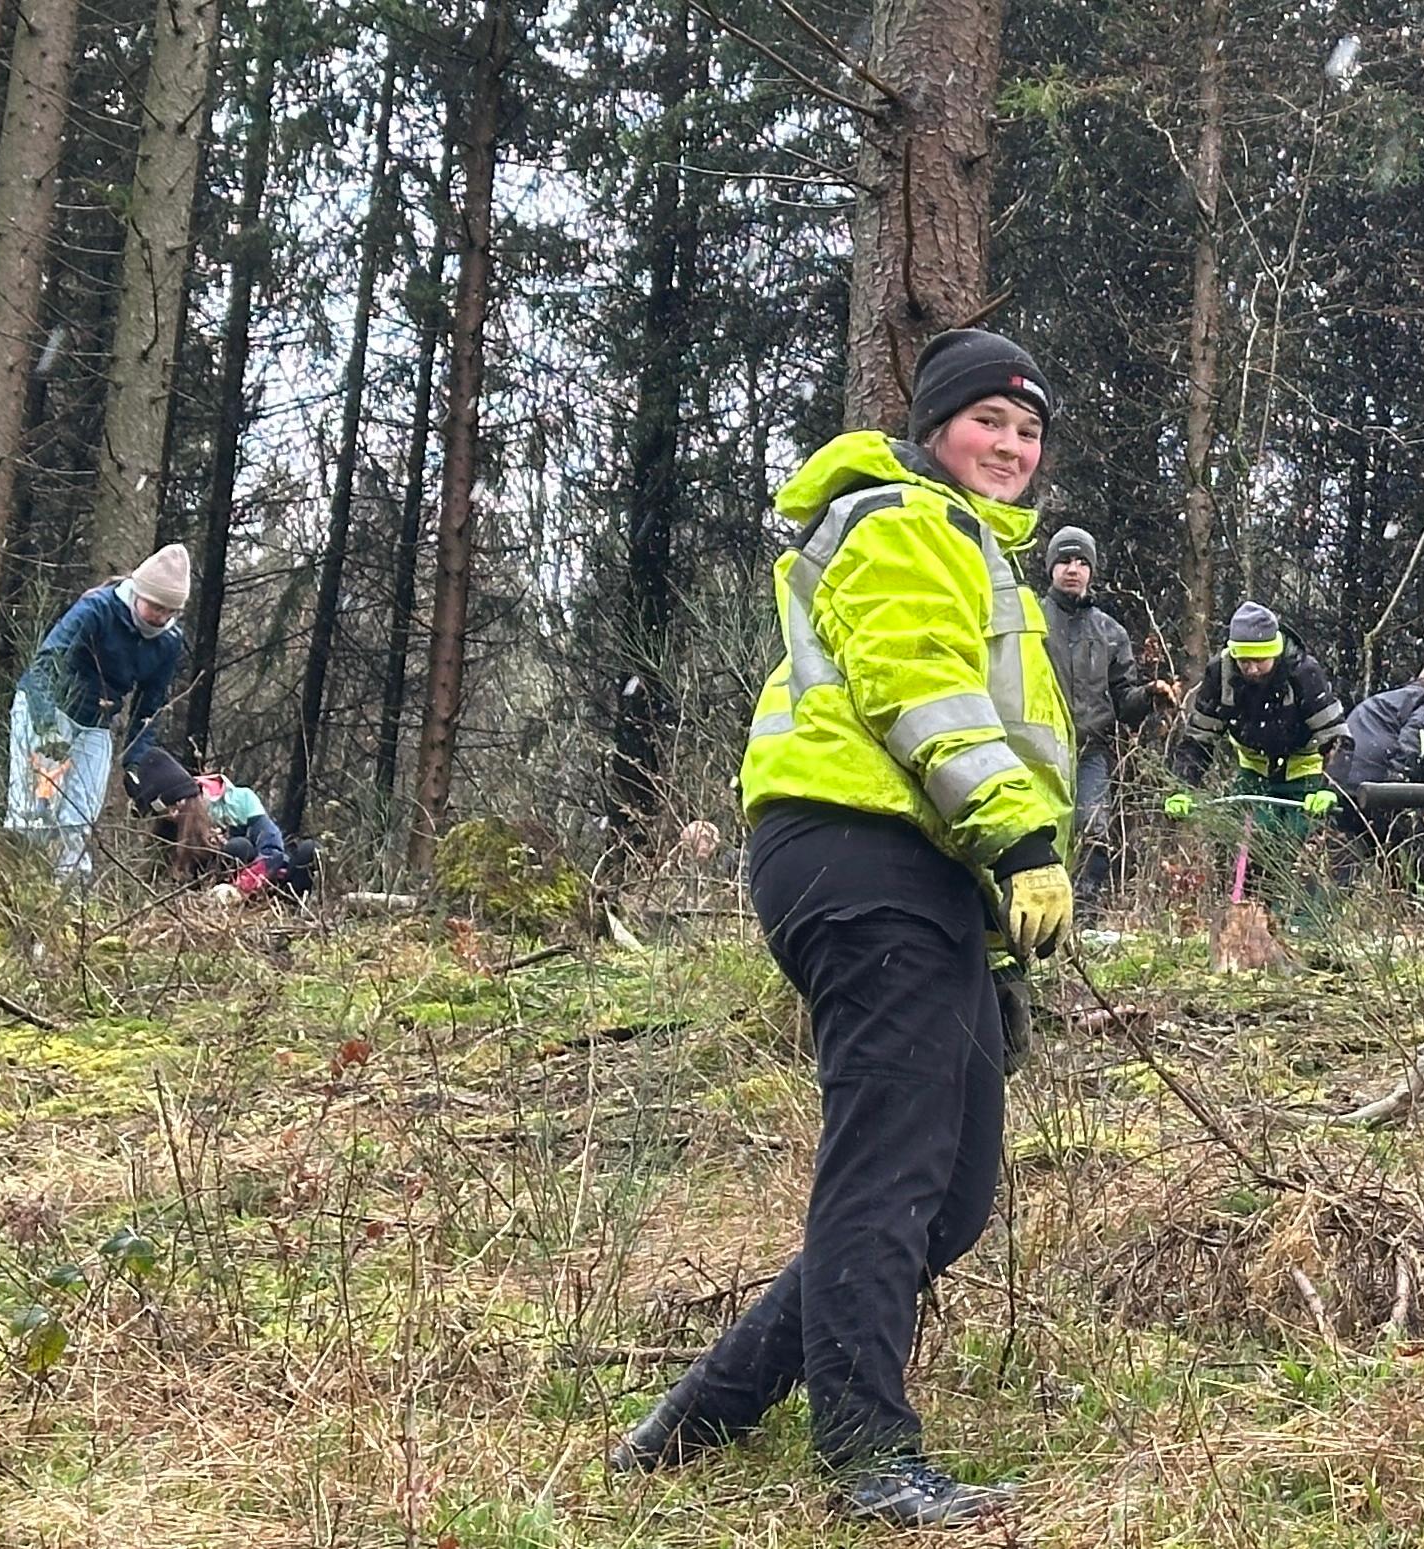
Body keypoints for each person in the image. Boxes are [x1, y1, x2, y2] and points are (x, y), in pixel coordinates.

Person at [608, 329, 1074, 1528]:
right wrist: (1020, 836)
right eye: (989, 422)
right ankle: (867, 1450)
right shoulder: (905, 520)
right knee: (889, 1165)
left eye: (1028, 431)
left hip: (923, 871)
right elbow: (919, 689)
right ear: (935, 427)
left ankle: (703, 1413)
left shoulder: (969, 543)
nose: (1010, 446)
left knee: (952, 1191)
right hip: (859, 853)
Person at [5, 544, 191, 884]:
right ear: (138, 592)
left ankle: (69, 909)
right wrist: (46, 729)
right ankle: (14, 892)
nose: (160, 618)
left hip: (97, 724)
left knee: (78, 822)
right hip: (47, 707)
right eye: (156, 607)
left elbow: (150, 707)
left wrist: (136, 762)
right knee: (33, 815)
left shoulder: (169, 642)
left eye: (170, 611)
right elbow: (46, 665)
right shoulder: (97, 609)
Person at [1040, 524, 1172, 906]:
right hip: (1035, 747)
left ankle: (1085, 912)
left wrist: (1150, 695)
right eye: (1064, 560)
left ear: (1092, 571)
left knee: (1093, 829)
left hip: (1090, 751)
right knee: (1039, 830)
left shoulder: (1110, 632)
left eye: (1082, 562)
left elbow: (1122, 700)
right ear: (1051, 567)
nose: (1073, 569)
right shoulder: (1029, 619)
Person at [1167, 601, 1347, 844]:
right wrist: (1181, 788)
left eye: (1260, 660)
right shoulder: (1221, 674)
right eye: (1244, 661)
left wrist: (1330, 788)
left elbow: (1337, 736)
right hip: (1253, 776)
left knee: (1297, 854)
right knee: (1239, 846)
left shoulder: (1303, 672)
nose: (1252, 669)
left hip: (1305, 777)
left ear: (1274, 653)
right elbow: (1198, 740)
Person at [1329, 656, 1424, 871]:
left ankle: (1328, 902)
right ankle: (1417, 901)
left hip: (1343, 786)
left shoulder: (1385, 701)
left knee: (1344, 866)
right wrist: (1401, 786)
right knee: (1413, 868)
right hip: (1382, 789)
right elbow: (1416, 741)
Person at [123, 748, 318, 896]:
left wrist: (238, 888)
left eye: (176, 806)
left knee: (307, 851)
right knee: (237, 849)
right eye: (165, 812)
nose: (173, 815)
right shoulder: (171, 830)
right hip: (212, 889)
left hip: (265, 882)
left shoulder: (241, 800)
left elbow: (272, 852)